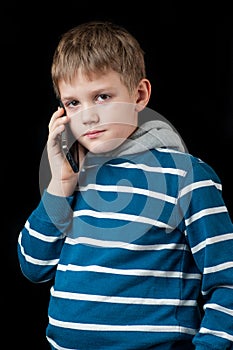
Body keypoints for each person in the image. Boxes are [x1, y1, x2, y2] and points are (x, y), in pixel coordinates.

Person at [17, 21, 233, 350]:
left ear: (139, 94)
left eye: (102, 96)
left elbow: (228, 280)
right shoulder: (73, 177)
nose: (87, 116)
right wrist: (60, 184)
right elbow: (34, 267)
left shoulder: (186, 177)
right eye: (73, 103)